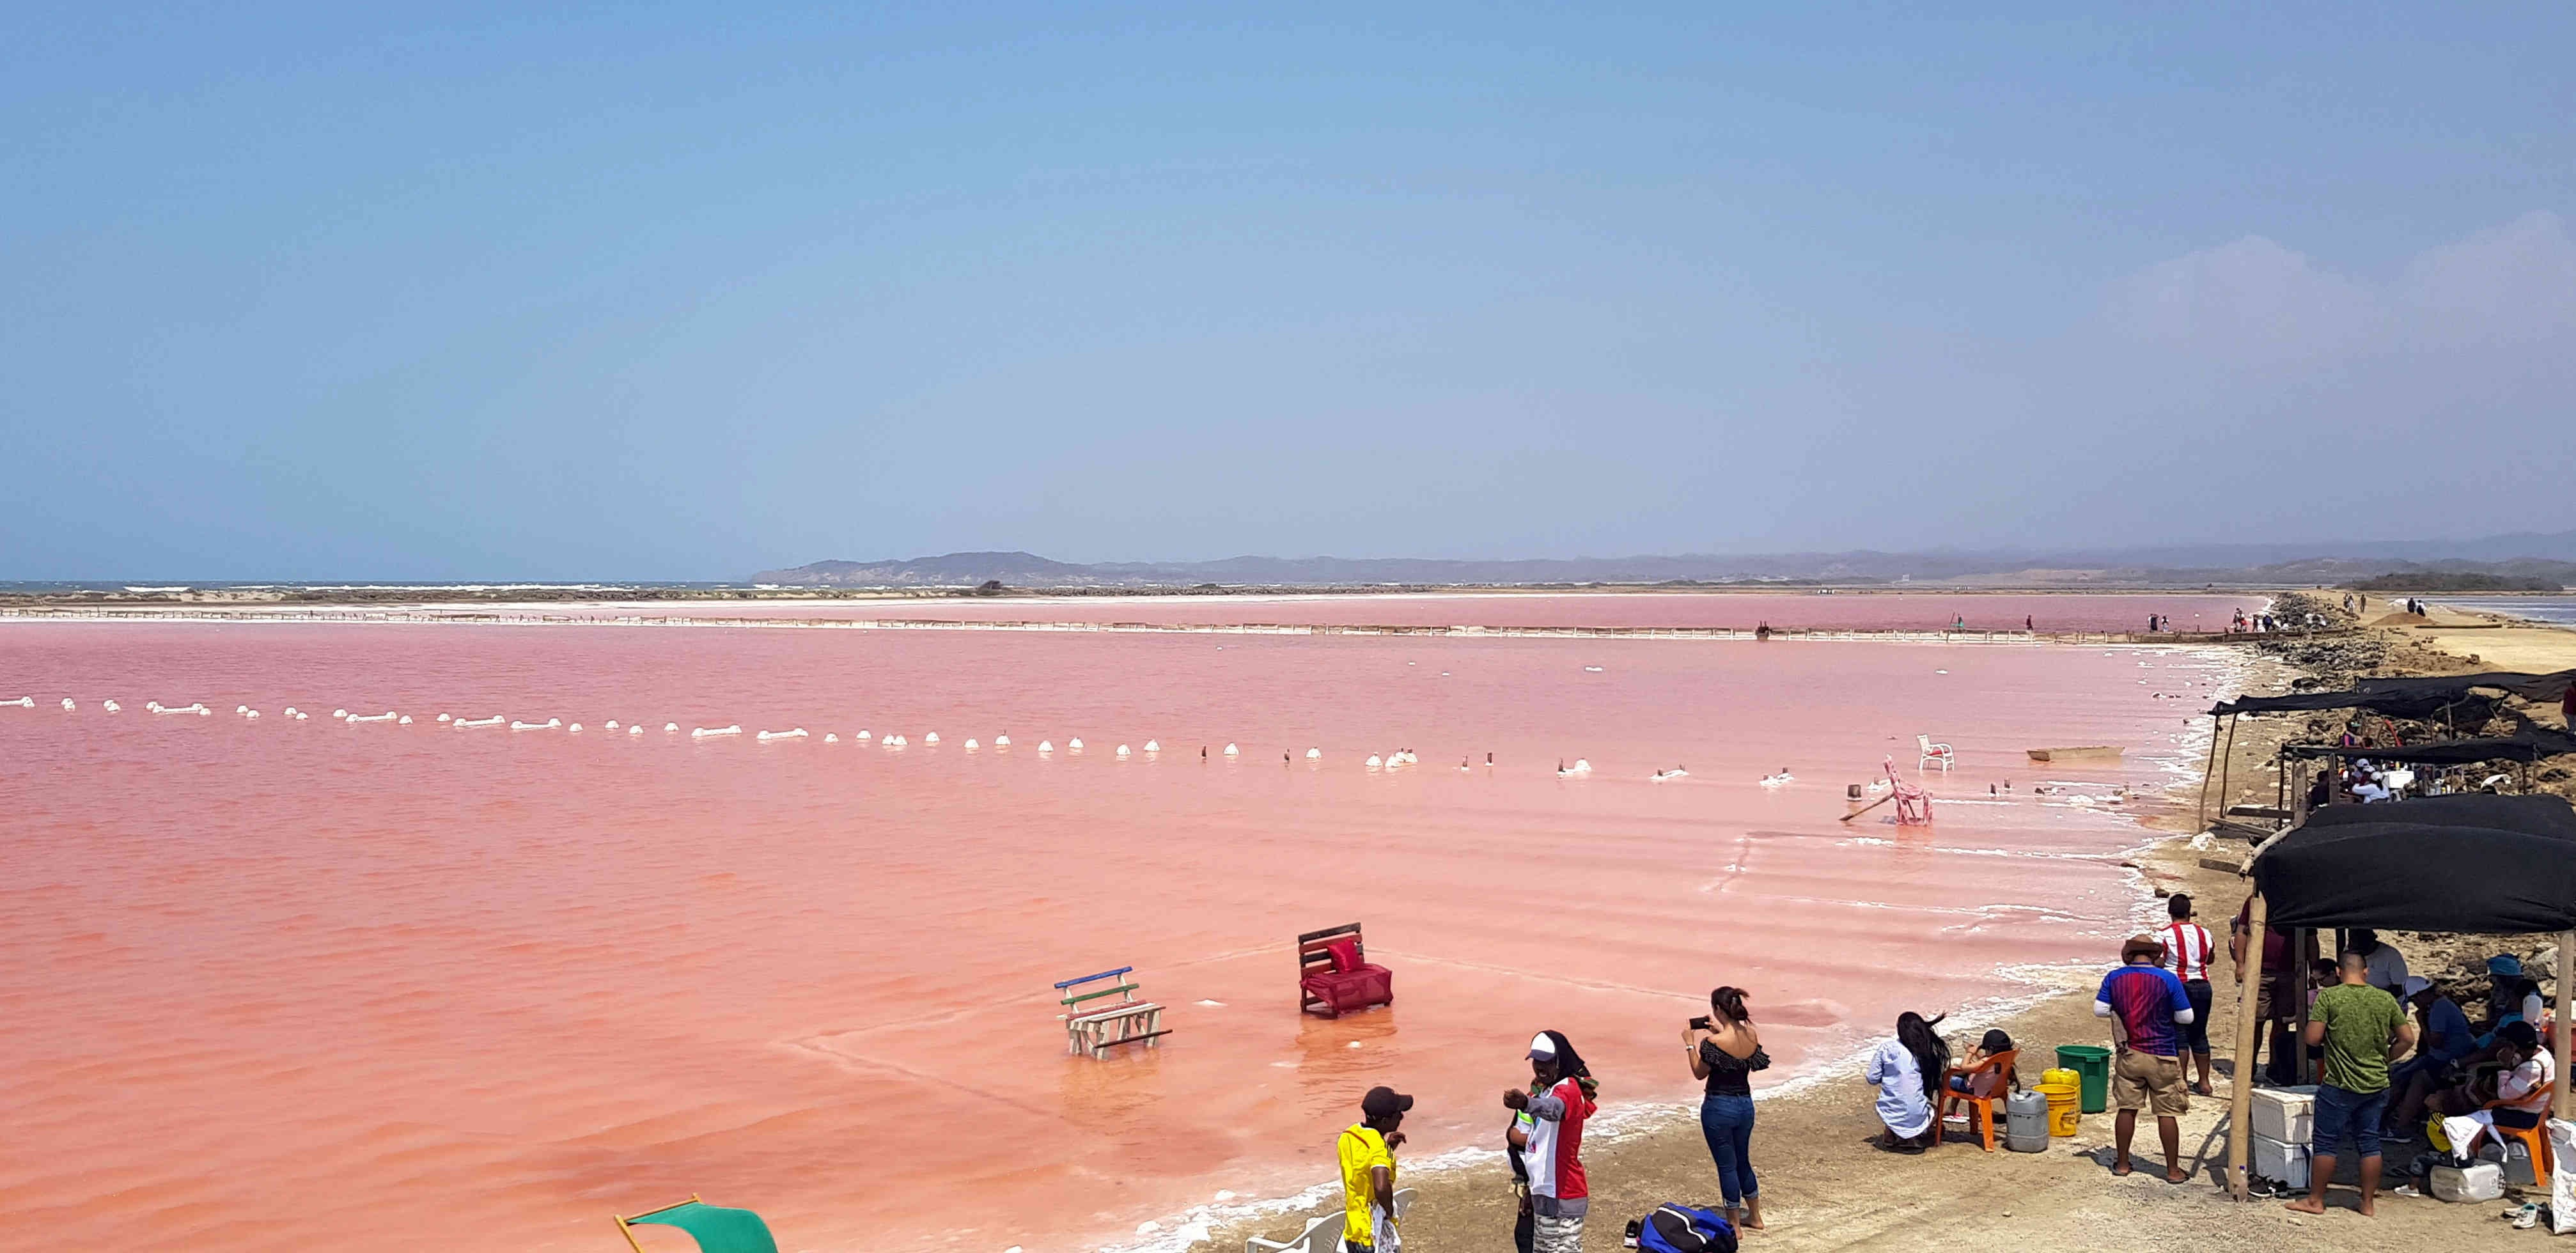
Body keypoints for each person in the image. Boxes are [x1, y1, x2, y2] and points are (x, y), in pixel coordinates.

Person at [2285, 951, 2414, 1218]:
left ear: (2340, 973)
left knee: (2326, 1143)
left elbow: (2312, 1038)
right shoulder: (2385, 999)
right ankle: (2367, 1203)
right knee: (2369, 1143)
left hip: (2339, 1083)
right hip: (2377, 1083)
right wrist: (2385, 1058)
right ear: (2366, 972)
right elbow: (2407, 1039)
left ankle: (2316, 1200)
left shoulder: (2330, 997)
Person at [2096, 934, 2194, 1181]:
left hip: (2130, 1053)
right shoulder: (2168, 979)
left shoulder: (2114, 977)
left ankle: (2123, 1164)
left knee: (2127, 1109)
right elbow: (2186, 1017)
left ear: (2129, 955)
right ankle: (2172, 1170)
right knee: (2167, 1112)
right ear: (2155, 955)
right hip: (2163, 1054)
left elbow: (2100, 1010)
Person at [1504, 1031, 1595, 1253]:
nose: (1540, 1067)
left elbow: (1554, 1110)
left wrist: (1526, 1103)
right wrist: (1529, 1192)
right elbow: (1538, 1145)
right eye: (1536, 1061)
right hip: (1543, 1195)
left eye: (1546, 1061)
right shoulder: (1543, 1091)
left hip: (1565, 1196)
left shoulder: (1568, 1089)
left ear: (1559, 1062)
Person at [1683, 986, 1765, 1231]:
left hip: (1719, 1106)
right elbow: (1736, 1054)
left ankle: (1734, 1225)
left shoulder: (1713, 1043)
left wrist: (1690, 1045)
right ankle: (1755, 1217)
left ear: (1718, 1009)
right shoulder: (1751, 1035)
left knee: (1726, 1165)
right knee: (1743, 1160)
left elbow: (1699, 1073)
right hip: (1745, 1105)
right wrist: (1718, 1031)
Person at [2436, 1020, 2552, 1160]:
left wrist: (2505, 1067)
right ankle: (2474, 1141)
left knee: (2463, 1097)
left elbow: (2503, 1095)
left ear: (2514, 1047)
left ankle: (2467, 1146)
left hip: (2523, 1116)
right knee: (2469, 1091)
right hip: (2531, 1106)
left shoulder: (2531, 1069)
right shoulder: (2544, 1054)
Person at [2384, 977, 2477, 1133]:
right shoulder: (2442, 1004)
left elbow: (2435, 1042)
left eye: (2414, 1000)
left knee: (2401, 1077)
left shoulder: (2438, 1010)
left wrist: (2421, 1022)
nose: (2415, 1004)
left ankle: (2386, 1121)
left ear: (2421, 995)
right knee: (2398, 1071)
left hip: (2445, 1059)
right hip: (2443, 1056)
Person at [1339, 1087, 1410, 1253]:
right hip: (1372, 1231)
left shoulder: (1348, 1136)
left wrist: (1388, 1148)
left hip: (1354, 1228)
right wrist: (1390, 1211)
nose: (1402, 1116)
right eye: (1397, 1114)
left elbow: (1362, 1167)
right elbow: (1380, 1186)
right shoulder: (1377, 1147)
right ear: (1385, 1121)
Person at [1864, 1011, 1947, 1153]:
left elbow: (1872, 1078)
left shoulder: (1887, 1048)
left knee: (1894, 1100)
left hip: (1890, 1111)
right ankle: (1910, 1136)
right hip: (1915, 1111)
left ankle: (1892, 1135)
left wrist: (1890, 1076)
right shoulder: (1924, 1053)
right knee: (1934, 1110)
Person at [2162, 895, 2219, 1096]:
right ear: (2189, 912)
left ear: (2170, 912)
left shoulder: (2165, 935)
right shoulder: (2204, 932)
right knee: (2199, 1033)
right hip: (2203, 984)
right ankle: (2204, 1083)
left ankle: (2182, 1081)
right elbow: (2210, 958)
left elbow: (2160, 961)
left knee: (2180, 1034)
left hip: (2178, 985)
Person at [1948, 1029, 2020, 1094]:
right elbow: (1984, 1062)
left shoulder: (1986, 1061)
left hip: (1973, 1089)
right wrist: (1976, 1052)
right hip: (1993, 1089)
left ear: (1991, 1049)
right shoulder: (2004, 1059)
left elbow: (1964, 1067)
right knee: (1962, 1078)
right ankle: (1952, 1108)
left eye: (1985, 1049)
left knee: (1948, 1079)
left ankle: (1950, 1107)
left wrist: (1970, 1052)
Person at [2350, 930, 2408, 998]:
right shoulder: (2349, 951)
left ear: (2372, 943)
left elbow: (2401, 988)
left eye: (2361, 950)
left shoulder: (2391, 955)